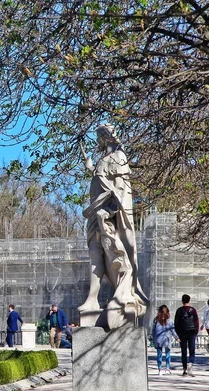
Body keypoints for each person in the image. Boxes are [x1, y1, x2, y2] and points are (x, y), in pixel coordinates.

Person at [78, 124, 147, 329]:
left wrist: (109, 212)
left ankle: (120, 298)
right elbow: (103, 183)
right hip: (96, 215)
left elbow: (120, 194)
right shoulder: (104, 159)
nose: (97, 141)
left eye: (98, 137)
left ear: (105, 137)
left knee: (114, 258)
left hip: (109, 218)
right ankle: (92, 300)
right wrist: (91, 168)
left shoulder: (119, 158)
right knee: (95, 254)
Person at [174, 294, 199, 377]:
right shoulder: (193, 310)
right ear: (189, 300)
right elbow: (196, 322)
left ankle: (184, 369)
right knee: (192, 350)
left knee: (184, 351)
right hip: (191, 332)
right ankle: (190, 365)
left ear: (182, 301)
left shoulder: (179, 310)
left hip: (182, 333)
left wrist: (178, 334)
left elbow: (176, 323)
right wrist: (196, 332)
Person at [152, 305, 179, 375]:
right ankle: (167, 368)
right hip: (166, 339)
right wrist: (177, 338)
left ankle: (160, 369)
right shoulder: (169, 321)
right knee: (167, 354)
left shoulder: (156, 320)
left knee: (159, 355)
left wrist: (153, 339)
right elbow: (173, 331)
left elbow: (153, 330)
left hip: (158, 339)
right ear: (167, 312)